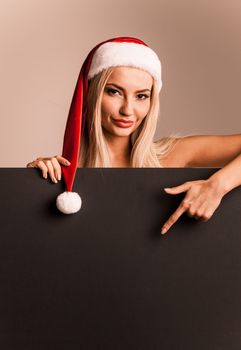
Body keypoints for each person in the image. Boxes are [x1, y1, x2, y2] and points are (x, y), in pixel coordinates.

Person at [27, 36, 241, 234]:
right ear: (92, 93)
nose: (128, 110)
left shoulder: (171, 155)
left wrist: (216, 186)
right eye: (114, 92)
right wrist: (35, 181)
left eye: (141, 96)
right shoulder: (64, 177)